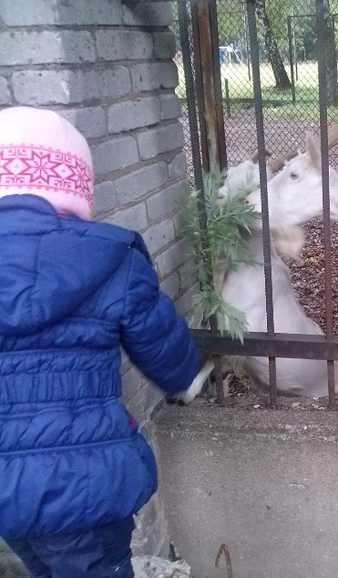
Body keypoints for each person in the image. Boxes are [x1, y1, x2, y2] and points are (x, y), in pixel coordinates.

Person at [0, 106, 200, 577]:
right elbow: (172, 360)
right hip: (86, 484)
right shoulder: (111, 258)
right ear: (76, 187)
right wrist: (192, 369)